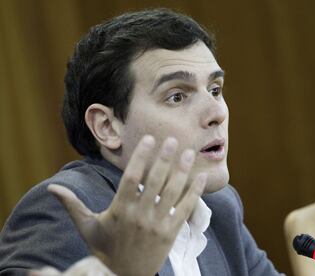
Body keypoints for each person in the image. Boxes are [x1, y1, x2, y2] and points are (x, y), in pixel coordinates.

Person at [0, 9, 284, 276]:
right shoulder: (69, 209)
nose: (217, 113)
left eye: (214, 90)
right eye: (177, 96)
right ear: (107, 126)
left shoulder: (218, 206)